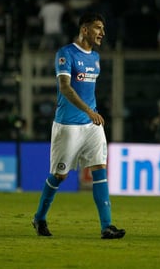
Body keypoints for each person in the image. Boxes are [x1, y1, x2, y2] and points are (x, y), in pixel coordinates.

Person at [32, 12, 126, 239]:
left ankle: (107, 226)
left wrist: (91, 114)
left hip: (91, 125)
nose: (102, 33)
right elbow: (65, 87)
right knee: (59, 176)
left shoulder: (95, 57)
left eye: (103, 28)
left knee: (99, 168)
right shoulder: (65, 54)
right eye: (97, 28)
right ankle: (39, 218)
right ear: (84, 30)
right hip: (68, 125)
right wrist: (89, 111)